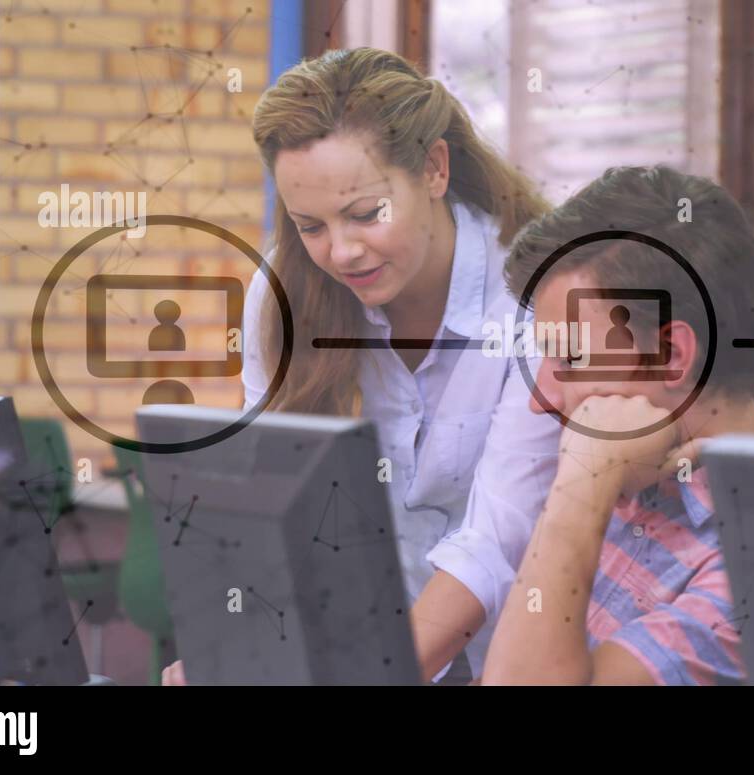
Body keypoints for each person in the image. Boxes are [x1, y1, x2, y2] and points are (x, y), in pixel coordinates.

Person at [162, 48, 561, 684]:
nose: (342, 252)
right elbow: (267, 508)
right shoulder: (285, 293)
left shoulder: (537, 296)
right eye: (309, 225)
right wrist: (238, 651)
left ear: (433, 168)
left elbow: (496, 539)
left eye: (365, 213)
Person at [482, 166, 754, 685]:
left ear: (670, 354)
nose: (541, 400)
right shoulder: (634, 471)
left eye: (571, 358)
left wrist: (582, 485)